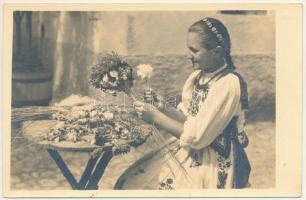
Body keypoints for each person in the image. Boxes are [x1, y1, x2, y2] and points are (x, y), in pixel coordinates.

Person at [133, 17, 251, 189]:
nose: (189, 56)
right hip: (193, 149)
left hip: (213, 161)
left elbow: (197, 137)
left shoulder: (228, 84)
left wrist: (155, 116)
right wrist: (162, 106)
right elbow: (189, 119)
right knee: (133, 181)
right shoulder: (197, 76)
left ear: (217, 52)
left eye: (194, 50)